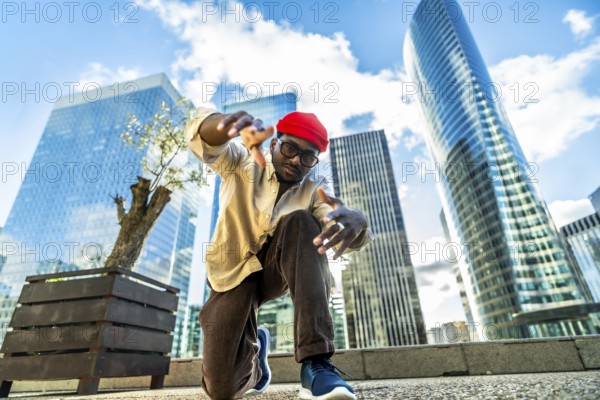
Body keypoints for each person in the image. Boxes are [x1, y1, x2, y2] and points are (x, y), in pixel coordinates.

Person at [184, 107, 373, 400]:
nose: (297, 160)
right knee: (221, 390)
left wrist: (358, 220)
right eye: (290, 148)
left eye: (308, 156)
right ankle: (256, 361)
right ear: (274, 143)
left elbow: (336, 219)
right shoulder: (243, 162)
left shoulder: (315, 190)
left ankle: (316, 364)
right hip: (231, 274)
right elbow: (205, 142)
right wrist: (221, 124)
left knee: (301, 221)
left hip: (275, 272)